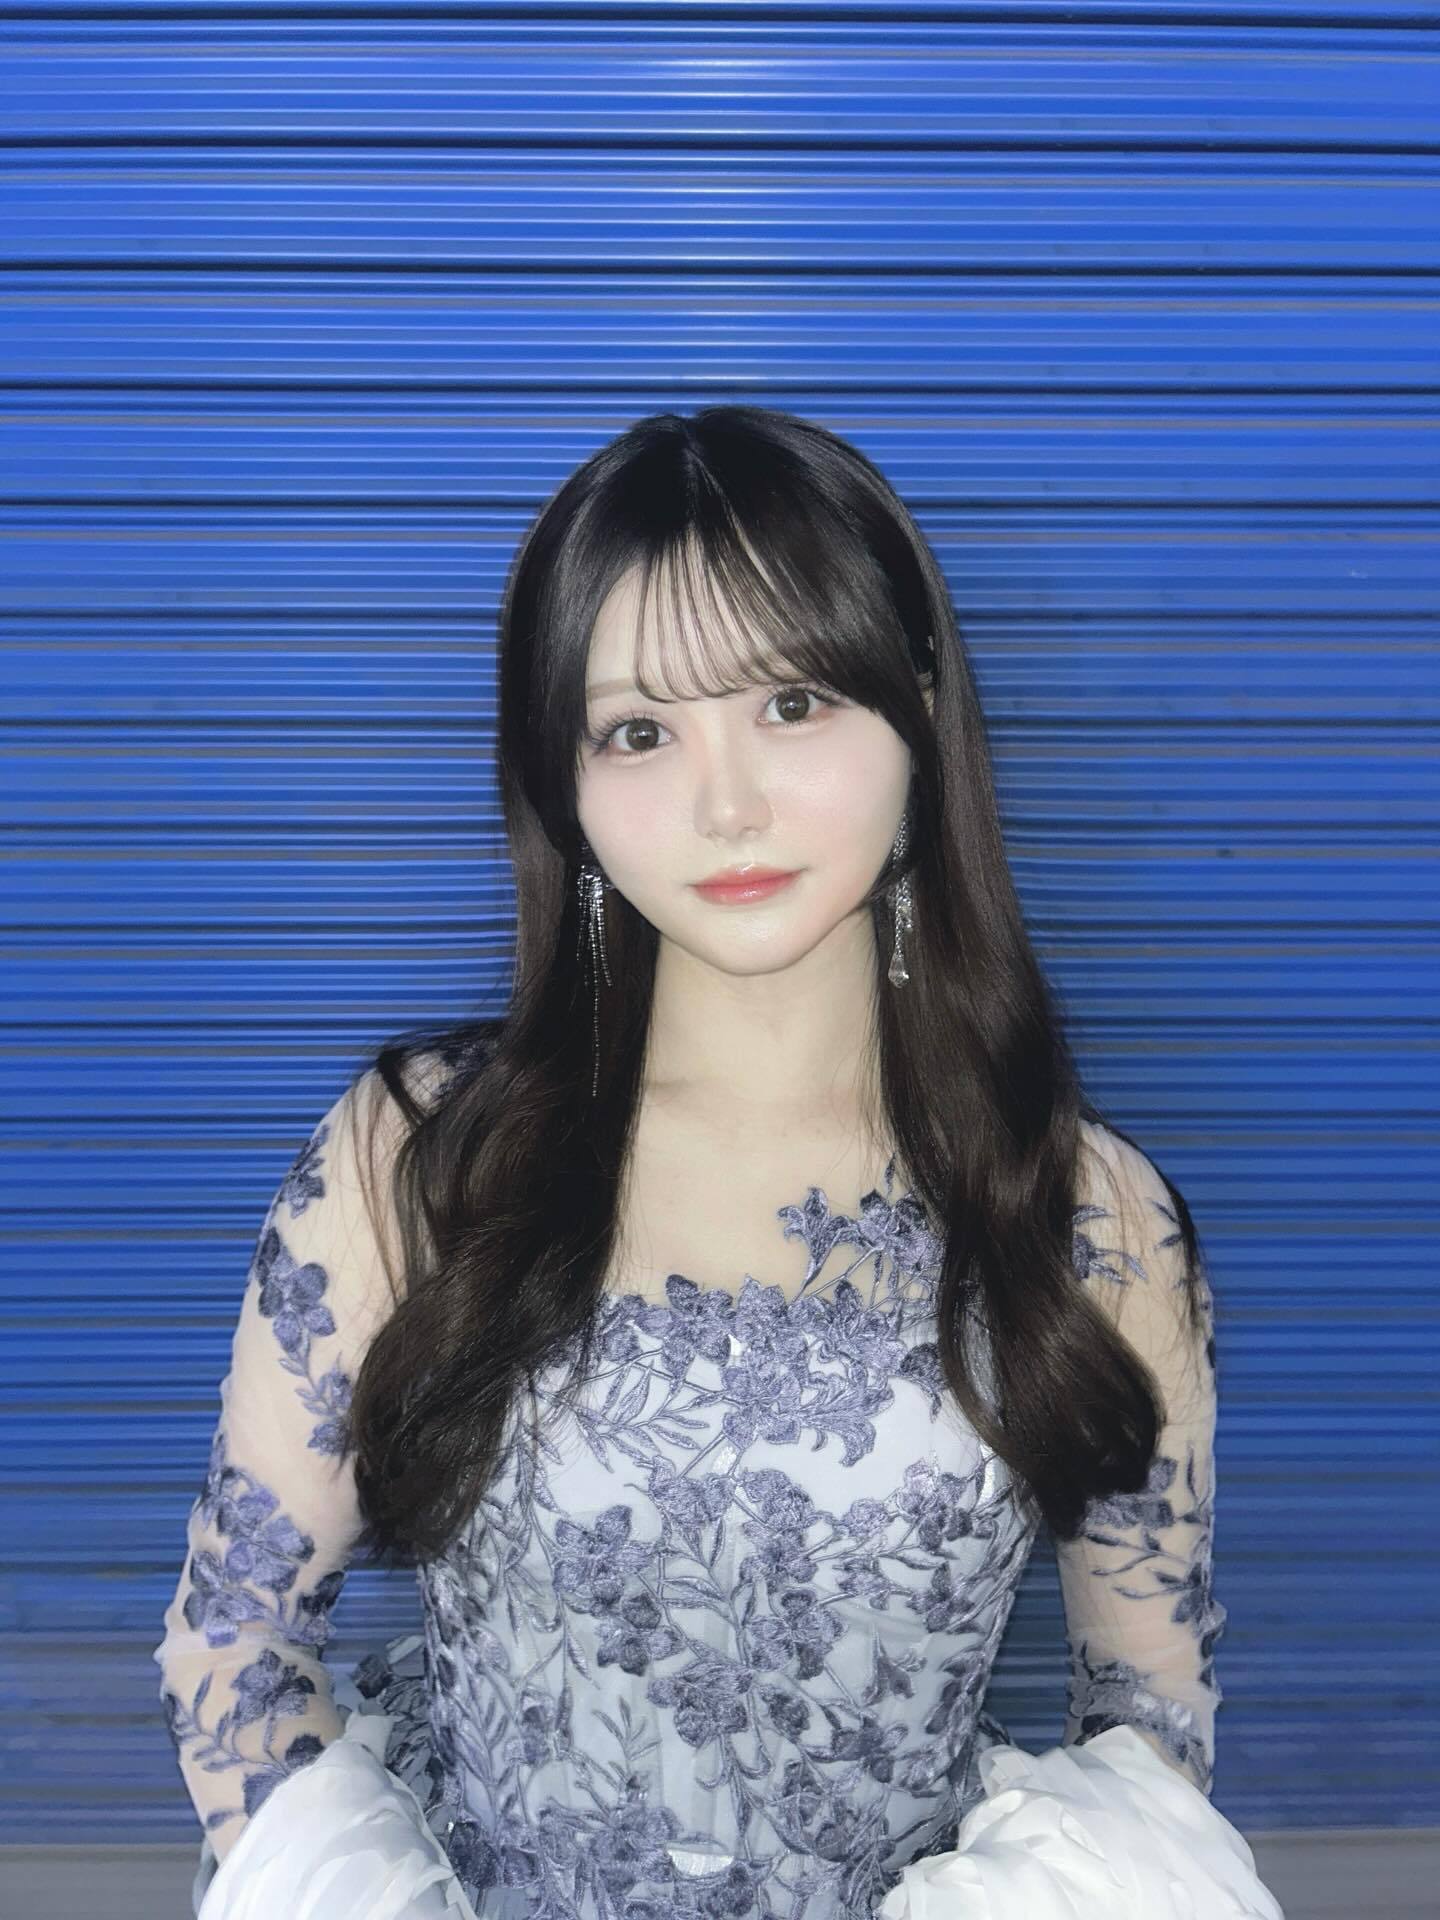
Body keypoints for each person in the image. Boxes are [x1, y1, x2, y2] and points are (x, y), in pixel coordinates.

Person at [153, 406, 1277, 1919]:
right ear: (563, 781)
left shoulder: (1092, 1219)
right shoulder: (420, 1157)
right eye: (638, 730)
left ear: (920, 710)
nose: (726, 802)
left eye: (793, 702)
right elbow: (235, 1643)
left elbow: (1145, 1725)